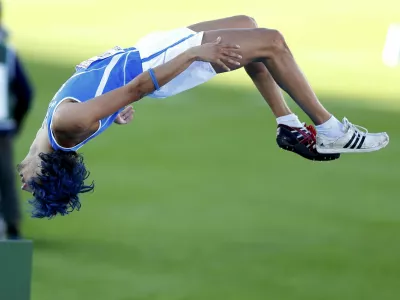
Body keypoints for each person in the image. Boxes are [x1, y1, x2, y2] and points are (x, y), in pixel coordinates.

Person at [17, 16, 389, 219]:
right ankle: (328, 129)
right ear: (47, 166)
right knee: (271, 42)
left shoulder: (57, 132)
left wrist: (112, 112)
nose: (22, 183)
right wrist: (195, 54)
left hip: (149, 52)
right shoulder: (66, 127)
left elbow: (111, 100)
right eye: (32, 184)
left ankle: (288, 126)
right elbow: (134, 90)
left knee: (247, 23)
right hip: (159, 62)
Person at [0, 3, 33, 238]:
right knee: (5, 178)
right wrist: (16, 122)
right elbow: (25, 92)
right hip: (2, 128)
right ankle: (12, 229)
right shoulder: (7, 52)